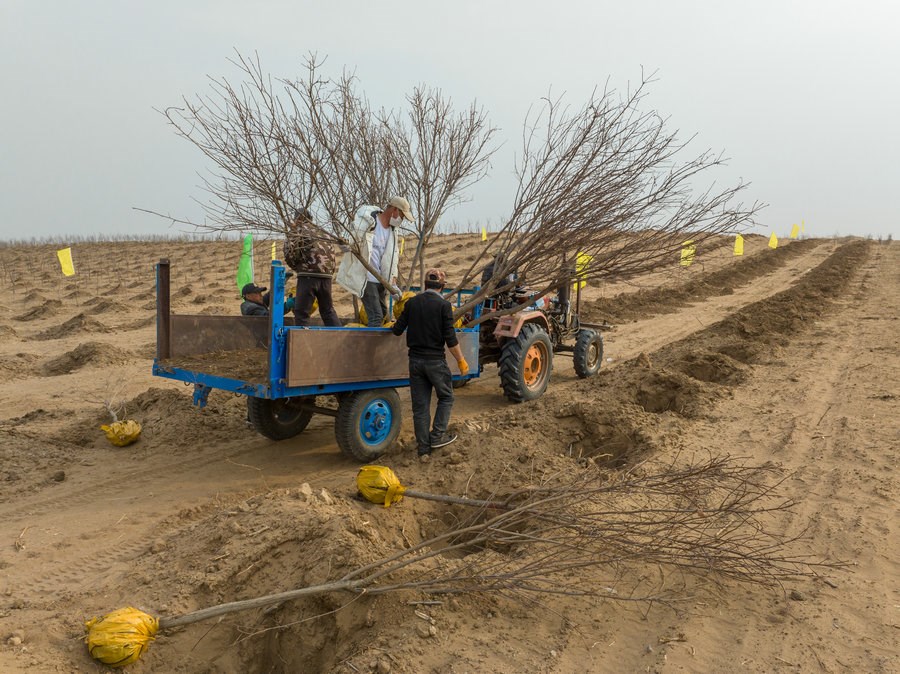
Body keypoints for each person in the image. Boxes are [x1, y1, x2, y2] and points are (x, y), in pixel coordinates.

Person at [392, 268, 469, 457]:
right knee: (446, 397)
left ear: (425, 285)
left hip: (415, 362)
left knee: (420, 406)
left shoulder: (412, 303)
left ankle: (423, 448)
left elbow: (397, 330)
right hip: (435, 361)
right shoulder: (444, 306)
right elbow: (450, 339)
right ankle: (437, 437)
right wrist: (461, 360)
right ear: (442, 287)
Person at [336, 196, 414, 327]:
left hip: (380, 280)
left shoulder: (392, 231)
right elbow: (352, 240)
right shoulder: (368, 222)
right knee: (376, 316)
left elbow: (392, 259)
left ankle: (376, 345)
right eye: (402, 215)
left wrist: (392, 283)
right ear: (394, 209)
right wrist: (346, 245)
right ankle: (370, 346)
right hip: (366, 277)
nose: (402, 220)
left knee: (383, 315)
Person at [284, 208, 341, 326]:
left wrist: (297, 268)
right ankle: (338, 339)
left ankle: (302, 342)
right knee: (328, 311)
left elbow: (290, 253)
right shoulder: (323, 231)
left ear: (297, 219)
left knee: (302, 312)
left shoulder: (298, 231)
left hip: (308, 275)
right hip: (327, 275)